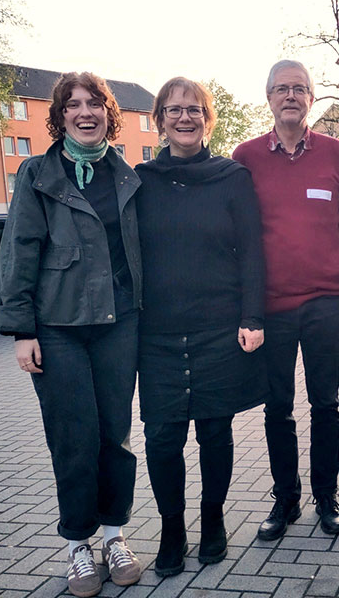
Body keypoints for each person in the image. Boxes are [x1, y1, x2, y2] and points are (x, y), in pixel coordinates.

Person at [0, 72, 142, 597]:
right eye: (73, 105)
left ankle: (115, 535)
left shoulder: (126, 174)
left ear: (108, 113)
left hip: (119, 324)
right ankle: (78, 544)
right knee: (73, 439)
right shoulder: (38, 173)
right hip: (57, 329)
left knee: (115, 436)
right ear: (60, 117)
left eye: (95, 103)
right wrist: (20, 329)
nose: (85, 112)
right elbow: (18, 251)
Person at [135, 77, 267, 576]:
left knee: (215, 431)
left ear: (207, 119)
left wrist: (252, 316)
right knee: (162, 437)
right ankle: (172, 528)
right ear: (160, 120)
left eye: (194, 110)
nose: (184, 118)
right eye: (174, 110)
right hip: (158, 333)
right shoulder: (140, 181)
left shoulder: (232, 177)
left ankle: (213, 519)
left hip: (218, 327)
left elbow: (252, 252)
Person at [232, 60, 339, 540]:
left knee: (326, 403)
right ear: (268, 97)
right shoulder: (245, 156)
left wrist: (336, 271)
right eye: (282, 88)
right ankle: (286, 499)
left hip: (324, 301)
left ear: (311, 98)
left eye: (299, 88)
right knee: (277, 407)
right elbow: (240, 232)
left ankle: (327, 496)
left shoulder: (335, 152)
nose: (290, 96)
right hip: (271, 306)